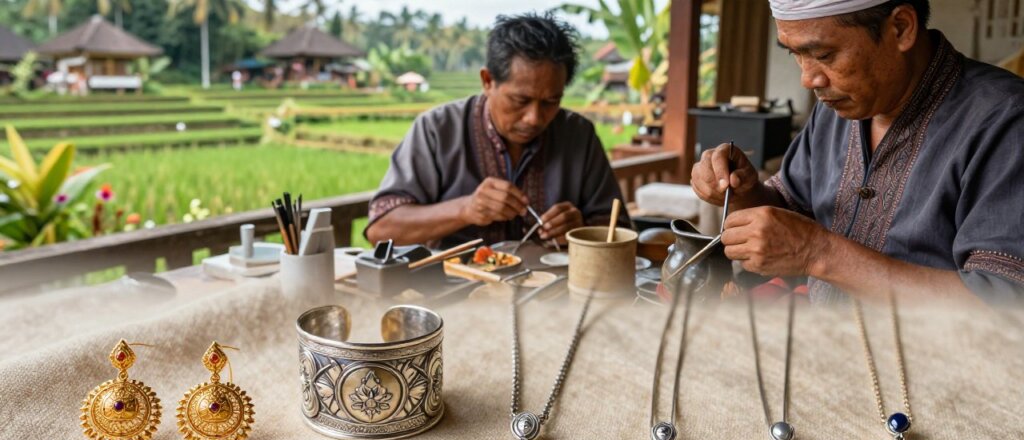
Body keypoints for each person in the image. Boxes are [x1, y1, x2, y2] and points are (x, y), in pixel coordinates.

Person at [691, 0, 1024, 304]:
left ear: (901, 28)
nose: (809, 79)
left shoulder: (1004, 120)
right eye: (795, 54)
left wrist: (818, 252)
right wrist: (743, 193)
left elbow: (1004, 306)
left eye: (823, 55)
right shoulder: (836, 107)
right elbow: (790, 212)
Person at [366, 13, 627, 248]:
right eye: (520, 100)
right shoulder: (437, 130)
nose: (534, 118)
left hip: (554, 294)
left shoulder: (578, 135)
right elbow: (381, 228)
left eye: (551, 102)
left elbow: (622, 231)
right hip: (452, 294)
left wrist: (581, 231)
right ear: (487, 81)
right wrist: (465, 209)